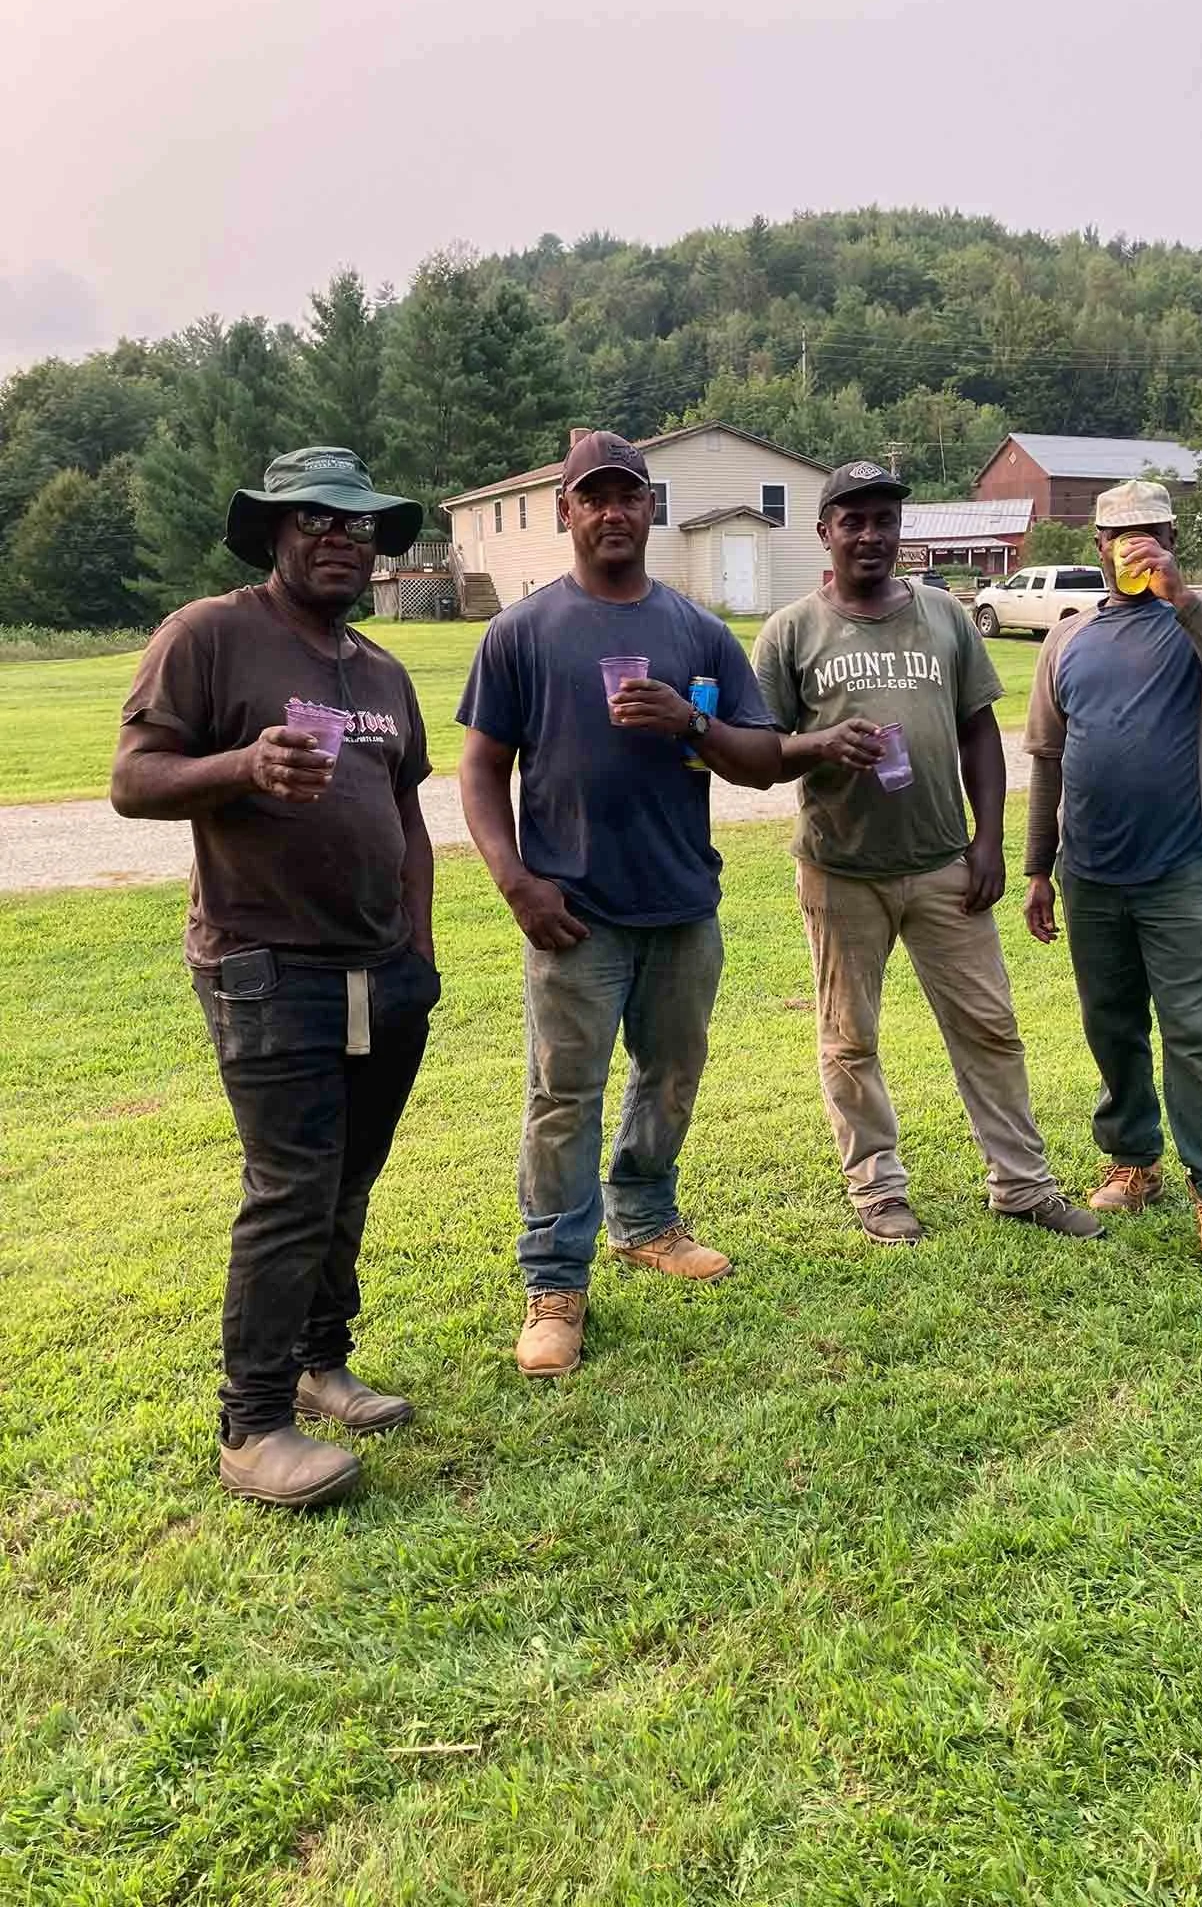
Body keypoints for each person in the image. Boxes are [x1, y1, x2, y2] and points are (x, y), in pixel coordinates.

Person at [111, 447, 440, 1508]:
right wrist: (241, 767)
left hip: (382, 970)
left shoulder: (382, 670)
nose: (340, 535)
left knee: (347, 1181)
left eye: (357, 523)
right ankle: (252, 1425)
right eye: (316, 518)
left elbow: (407, 816)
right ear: (274, 533)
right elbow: (134, 779)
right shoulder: (209, 635)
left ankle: (320, 1361)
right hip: (265, 964)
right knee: (292, 1185)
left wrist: (420, 950)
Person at [457, 431, 781, 1379]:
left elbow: (761, 763)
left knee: (672, 1073)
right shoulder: (522, 632)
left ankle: (644, 1218)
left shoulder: (696, 629)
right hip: (573, 910)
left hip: (681, 902)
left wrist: (689, 718)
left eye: (627, 496)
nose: (610, 512)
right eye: (591, 497)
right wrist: (516, 880)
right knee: (563, 1097)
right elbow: (480, 769)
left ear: (652, 509)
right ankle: (553, 1281)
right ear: (565, 511)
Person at [751, 460, 1100, 1245]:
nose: (871, 534)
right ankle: (877, 1189)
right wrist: (819, 744)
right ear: (825, 533)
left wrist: (989, 841)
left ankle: (1022, 1184)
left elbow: (980, 729)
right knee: (849, 1037)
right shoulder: (792, 632)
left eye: (885, 519)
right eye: (854, 520)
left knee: (989, 1025)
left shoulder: (944, 616)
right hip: (839, 868)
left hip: (945, 860)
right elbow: (758, 750)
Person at [1020, 478, 1202, 1281]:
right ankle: (1133, 1158)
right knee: (1113, 1028)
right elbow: (1047, 760)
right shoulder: (1069, 638)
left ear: (1173, 537)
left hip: (1180, 872)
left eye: (1154, 533)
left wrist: (1185, 601)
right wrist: (1037, 870)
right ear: (1097, 547)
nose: (1138, 547)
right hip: (1090, 875)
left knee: (1194, 1040)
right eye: (1122, 536)